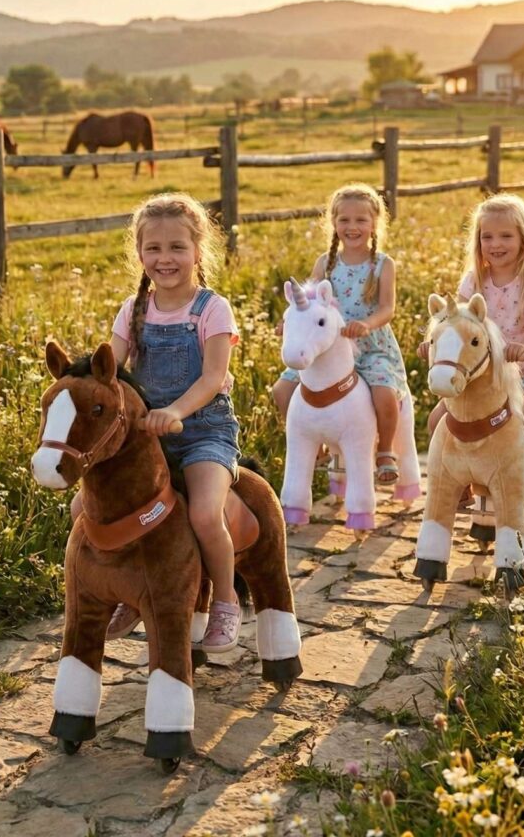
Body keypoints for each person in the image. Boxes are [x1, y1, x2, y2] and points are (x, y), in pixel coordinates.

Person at [76, 192, 242, 650]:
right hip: (146, 441)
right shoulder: (132, 311)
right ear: (140, 253)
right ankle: (126, 591)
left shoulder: (212, 309)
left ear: (196, 252)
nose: (164, 259)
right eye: (154, 249)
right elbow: (113, 372)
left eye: (176, 248)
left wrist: (174, 412)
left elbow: (212, 378)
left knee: (206, 514)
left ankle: (226, 600)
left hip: (203, 430)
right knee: (82, 510)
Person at [421, 194, 524, 520]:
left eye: (506, 236)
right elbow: (454, 321)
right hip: (479, 374)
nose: (496, 244)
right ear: (478, 241)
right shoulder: (474, 280)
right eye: (487, 236)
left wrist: (523, 345)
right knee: (436, 421)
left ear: (523, 238)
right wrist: (433, 342)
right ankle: (460, 484)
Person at [272, 182, 409, 484]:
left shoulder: (383, 265)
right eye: (344, 220)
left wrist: (367, 324)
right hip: (325, 349)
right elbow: (305, 303)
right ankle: (315, 442)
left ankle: (384, 450)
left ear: (374, 224)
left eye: (361, 220)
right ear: (333, 223)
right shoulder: (326, 263)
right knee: (281, 390)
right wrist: (291, 323)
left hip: (369, 345)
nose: (352, 226)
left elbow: (388, 308)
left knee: (384, 393)